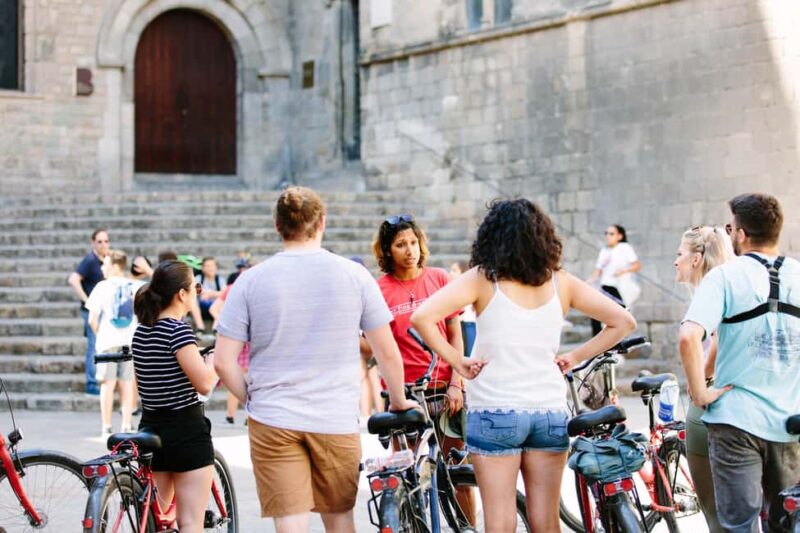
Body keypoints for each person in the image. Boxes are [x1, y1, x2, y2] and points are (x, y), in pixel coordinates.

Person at [410, 198, 636, 532]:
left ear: (492, 237)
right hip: (548, 411)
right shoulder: (562, 282)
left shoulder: (483, 279)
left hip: (495, 410)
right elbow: (623, 321)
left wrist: (458, 361)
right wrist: (576, 356)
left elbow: (422, 317)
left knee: (500, 522)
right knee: (546, 522)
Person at [213, 186, 417, 533]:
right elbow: (386, 351)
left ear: (277, 226)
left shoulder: (250, 281)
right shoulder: (354, 276)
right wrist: (398, 401)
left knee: (290, 525)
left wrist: (252, 397)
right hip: (334, 416)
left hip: (274, 416)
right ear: (322, 222)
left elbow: (222, 361)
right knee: (340, 521)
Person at [679, 193, 800, 533]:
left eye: (731, 227)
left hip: (736, 423)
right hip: (790, 423)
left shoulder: (725, 277)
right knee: (789, 521)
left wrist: (701, 393)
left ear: (742, 234)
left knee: (738, 526)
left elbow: (689, 337)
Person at [371, 214, 475, 521]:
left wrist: (457, 382)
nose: (409, 250)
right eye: (400, 244)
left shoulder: (440, 279)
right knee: (406, 471)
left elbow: (456, 334)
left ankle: (468, 527)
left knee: (459, 471)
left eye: (413, 242)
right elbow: (376, 343)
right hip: (403, 393)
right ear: (388, 250)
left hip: (444, 388)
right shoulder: (380, 290)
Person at [132, 260, 218, 533]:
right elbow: (204, 385)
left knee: (158, 521)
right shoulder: (177, 330)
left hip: (150, 430)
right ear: (182, 294)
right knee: (190, 522)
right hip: (185, 433)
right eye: (196, 287)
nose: (197, 292)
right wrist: (214, 362)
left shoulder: (140, 332)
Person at [673, 226, 734, 533]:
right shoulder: (735, 282)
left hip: (714, 405)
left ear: (696, 259)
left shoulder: (713, 288)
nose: (676, 261)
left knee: (717, 516)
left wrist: (702, 380)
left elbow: (698, 339)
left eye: (680, 254)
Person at [86, 250, 145, 436]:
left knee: (107, 384)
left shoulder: (102, 287)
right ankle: (126, 424)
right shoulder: (136, 286)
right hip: (129, 341)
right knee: (127, 383)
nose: (102, 267)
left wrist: (100, 334)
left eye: (105, 264)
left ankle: (107, 427)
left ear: (113, 265)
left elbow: (92, 320)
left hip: (107, 341)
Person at [68, 228, 110, 396]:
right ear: (93, 243)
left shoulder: (105, 260)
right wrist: (87, 301)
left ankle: (101, 381)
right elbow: (73, 279)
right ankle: (91, 384)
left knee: (99, 346)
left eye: (106, 241)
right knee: (93, 346)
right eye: (100, 241)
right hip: (93, 311)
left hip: (103, 311)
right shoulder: (90, 260)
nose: (103, 244)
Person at [587, 224, 642, 335]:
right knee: (595, 314)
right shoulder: (604, 251)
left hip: (619, 287)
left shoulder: (625, 248)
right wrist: (589, 281)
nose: (608, 236)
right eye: (606, 233)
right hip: (605, 287)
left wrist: (623, 271)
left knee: (620, 316)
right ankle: (598, 346)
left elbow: (637, 265)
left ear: (619, 236)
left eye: (611, 233)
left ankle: (614, 343)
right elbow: (598, 270)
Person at [449, 260, 477, 357]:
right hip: (462, 326)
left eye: (454, 270)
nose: (450, 273)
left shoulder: (468, 289)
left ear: (463, 272)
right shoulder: (453, 290)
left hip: (469, 326)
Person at [196, 257, 226, 322]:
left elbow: (224, 293)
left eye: (213, 265)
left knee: (222, 302)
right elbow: (197, 291)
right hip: (202, 306)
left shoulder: (220, 280)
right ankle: (200, 327)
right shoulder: (198, 278)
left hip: (216, 306)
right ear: (203, 268)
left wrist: (209, 294)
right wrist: (216, 293)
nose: (211, 268)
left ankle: (215, 328)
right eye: (208, 266)